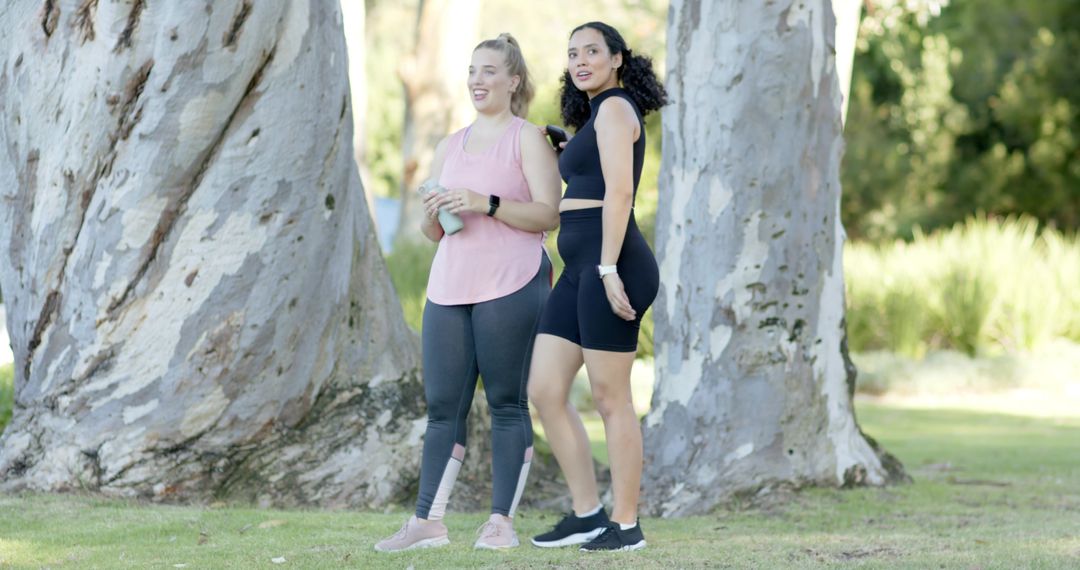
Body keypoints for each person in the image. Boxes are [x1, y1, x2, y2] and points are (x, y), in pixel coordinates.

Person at [374, 33, 561, 552]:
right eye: (473, 71)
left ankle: (501, 523)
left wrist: (487, 202)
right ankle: (427, 523)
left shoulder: (528, 139)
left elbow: (548, 214)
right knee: (441, 408)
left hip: (512, 282)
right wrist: (433, 215)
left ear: (513, 81)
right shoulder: (448, 146)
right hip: (449, 286)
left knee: (506, 403)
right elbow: (433, 233)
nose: (478, 80)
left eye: (489, 71)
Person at [527, 21, 666, 552]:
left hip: (614, 265)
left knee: (611, 399)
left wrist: (608, 270)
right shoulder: (595, 116)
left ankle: (626, 526)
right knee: (545, 388)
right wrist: (568, 146)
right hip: (581, 267)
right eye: (573, 54)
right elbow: (593, 175)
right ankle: (587, 514)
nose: (580, 60)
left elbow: (621, 193)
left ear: (617, 59)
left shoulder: (615, 108)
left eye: (592, 51)